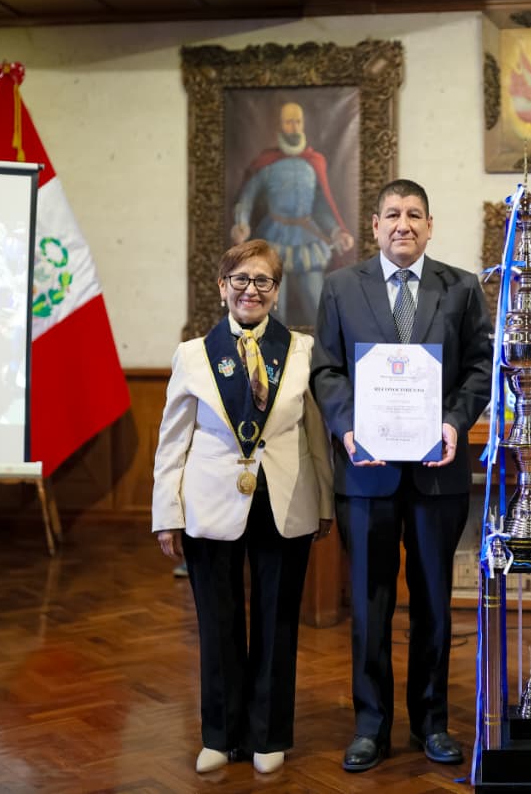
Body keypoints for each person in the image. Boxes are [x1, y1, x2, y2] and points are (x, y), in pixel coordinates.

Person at [310, 178, 493, 773]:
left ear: (430, 225)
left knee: (435, 605)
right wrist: (345, 429)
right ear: (375, 224)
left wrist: (455, 422)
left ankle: (431, 723)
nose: (403, 224)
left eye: (415, 214)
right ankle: (371, 726)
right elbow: (328, 371)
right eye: (393, 214)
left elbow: (478, 369)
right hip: (367, 473)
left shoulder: (461, 288)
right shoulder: (341, 287)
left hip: (438, 474)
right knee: (369, 606)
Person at [152, 240, 334, 776]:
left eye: (263, 281)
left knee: (278, 622)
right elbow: (172, 440)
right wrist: (168, 512)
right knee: (217, 621)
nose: (251, 290)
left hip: (285, 499)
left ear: (277, 291)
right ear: (222, 286)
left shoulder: (303, 350)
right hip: (210, 502)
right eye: (241, 279)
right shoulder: (192, 355)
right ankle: (221, 734)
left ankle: (268, 734)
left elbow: (315, 434)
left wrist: (324, 500)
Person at [232, 101, 356, 328]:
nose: (294, 126)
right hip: (273, 236)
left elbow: (320, 206)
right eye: (289, 121)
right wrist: (241, 224)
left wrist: (336, 232)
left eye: (298, 121)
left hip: (307, 238)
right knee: (273, 308)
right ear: (281, 126)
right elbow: (247, 197)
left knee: (317, 305)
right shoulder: (267, 164)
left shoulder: (313, 163)